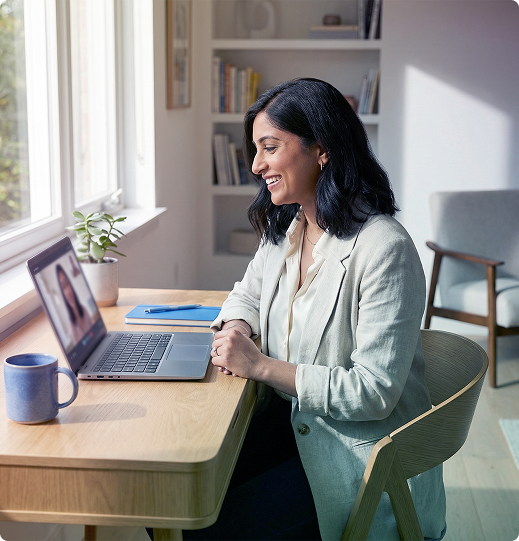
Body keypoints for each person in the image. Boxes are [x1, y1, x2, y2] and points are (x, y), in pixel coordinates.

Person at [188, 78, 446, 541]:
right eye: (256, 149)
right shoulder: (290, 225)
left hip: (358, 455)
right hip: (296, 425)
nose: (256, 164)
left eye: (270, 147)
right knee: (176, 496)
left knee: (206, 526)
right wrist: (240, 326)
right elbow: (245, 292)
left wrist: (260, 365)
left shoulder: (384, 248)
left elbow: (374, 391)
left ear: (322, 150)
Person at [56, 263, 93, 346]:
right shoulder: (72, 326)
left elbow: (96, 332)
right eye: (63, 287)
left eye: (67, 283)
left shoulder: (83, 309)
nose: (68, 292)